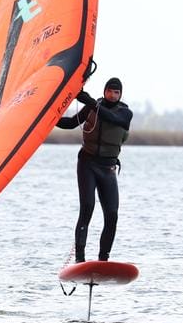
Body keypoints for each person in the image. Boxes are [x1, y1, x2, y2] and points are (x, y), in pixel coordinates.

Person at [56, 76, 132, 263]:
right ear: (104, 91)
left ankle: (103, 259)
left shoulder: (125, 114)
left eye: (117, 92)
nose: (113, 95)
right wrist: (49, 117)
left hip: (108, 169)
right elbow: (72, 123)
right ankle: (80, 259)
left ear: (120, 94)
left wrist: (89, 101)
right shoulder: (93, 106)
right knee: (87, 208)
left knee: (112, 214)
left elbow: (111, 117)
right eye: (110, 91)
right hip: (87, 164)